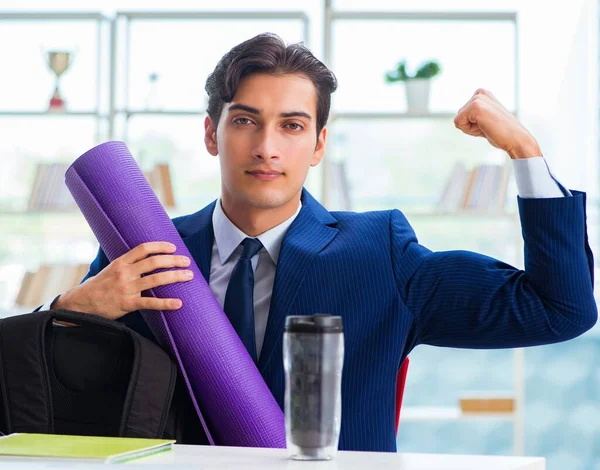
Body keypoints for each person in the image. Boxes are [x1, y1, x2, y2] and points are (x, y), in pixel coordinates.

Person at [39, 33, 597, 452]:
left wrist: (526, 151)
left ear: (319, 144)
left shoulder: (379, 253)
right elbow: (55, 394)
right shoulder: (146, 249)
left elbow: (559, 309)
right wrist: (70, 309)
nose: (267, 147)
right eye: (245, 121)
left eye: (292, 125)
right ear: (212, 133)